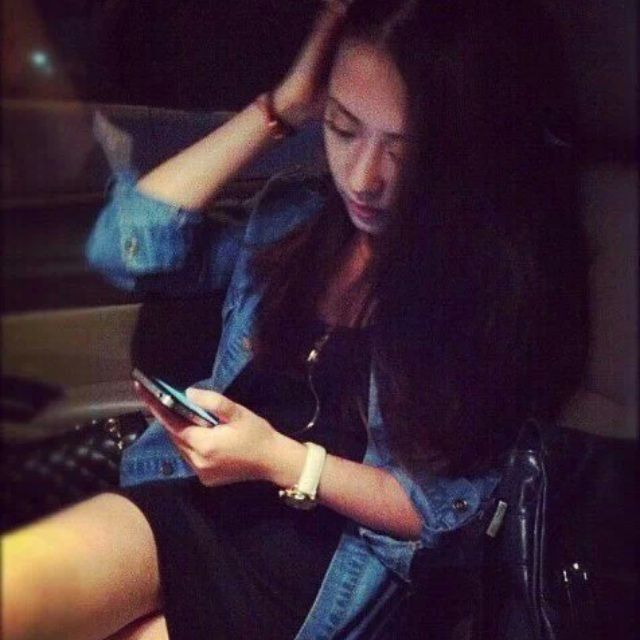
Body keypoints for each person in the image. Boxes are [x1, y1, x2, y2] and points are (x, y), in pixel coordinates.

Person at [2, 1, 589, 638]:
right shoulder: (296, 217)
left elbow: (443, 511)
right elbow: (122, 248)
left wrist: (281, 461)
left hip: (326, 576)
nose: (363, 178)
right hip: (194, 502)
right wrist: (280, 109)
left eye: (404, 149)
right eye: (342, 127)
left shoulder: (491, 279)